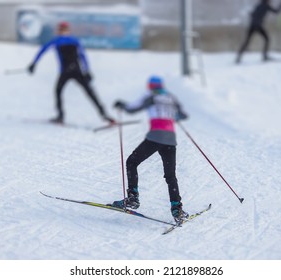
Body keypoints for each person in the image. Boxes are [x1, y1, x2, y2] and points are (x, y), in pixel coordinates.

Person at [110, 76, 190, 223]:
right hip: (170, 140)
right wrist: (175, 115)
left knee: (132, 162)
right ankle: (177, 209)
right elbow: (183, 115)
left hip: (155, 137)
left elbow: (133, 109)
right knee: (170, 175)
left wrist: (122, 105)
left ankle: (133, 198)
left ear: (151, 86)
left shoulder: (152, 97)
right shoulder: (171, 97)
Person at [27, 21, 114, 124]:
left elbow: (42, 51)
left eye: (63, 29)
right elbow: (82, 56)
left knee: (83, 92)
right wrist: (86, 70)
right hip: (72, 71)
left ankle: (103, 115)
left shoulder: (60, 41)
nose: (62, 31)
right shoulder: (71, 40)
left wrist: (34, 64)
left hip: (71, 71)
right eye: (61, 29)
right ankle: (103, 115)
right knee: (71, 92)